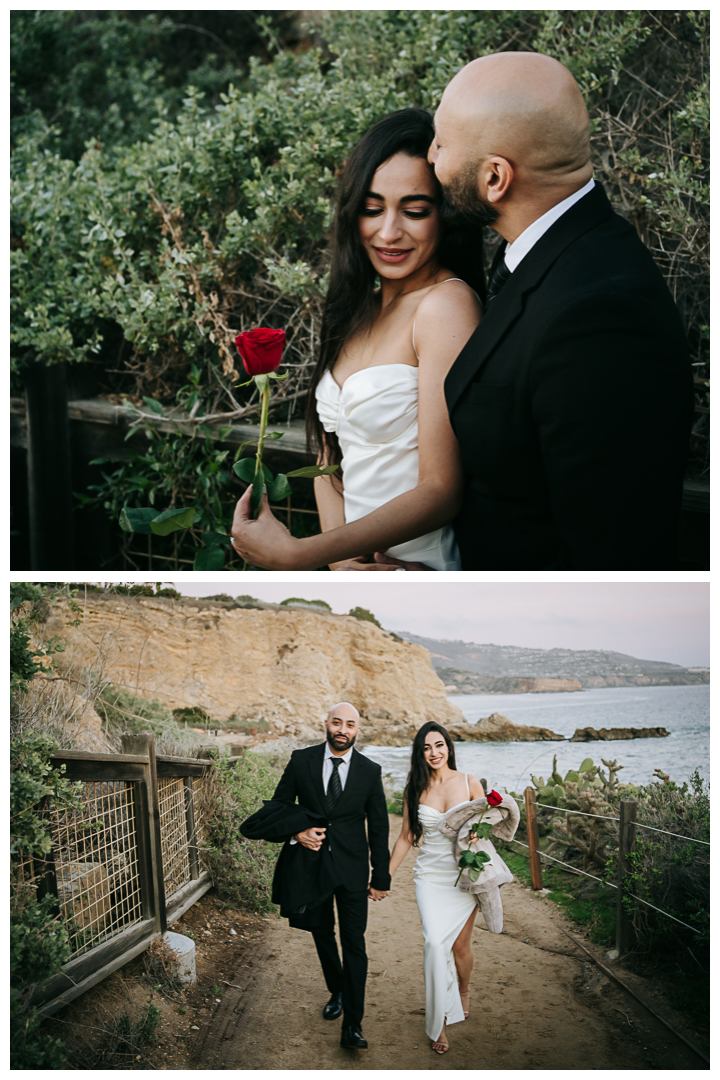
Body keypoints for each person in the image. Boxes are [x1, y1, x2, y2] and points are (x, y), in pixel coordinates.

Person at [427, 51, 694, 569]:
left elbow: (608, 552)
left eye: (442, 142)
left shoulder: (600, 319)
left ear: (495, 179)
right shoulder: (550, 253)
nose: (431, 156)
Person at [230, 108, 483, 570]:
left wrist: (301, 554)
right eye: (371, 209)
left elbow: (441, 490)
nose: (389, 232)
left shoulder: (445, 307)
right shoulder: (358, 310)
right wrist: (341, 564)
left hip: (420, 569)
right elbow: (330, 454)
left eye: (414, 210)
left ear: (444, 215)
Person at [271, 702, 391, 1049]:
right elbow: (280, 804)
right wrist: (297, 833)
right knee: (322, 932)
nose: (342, 729)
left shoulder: (370, 771)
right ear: (326, 724)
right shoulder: (301, 760)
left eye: (349, 724)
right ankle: (337, 989)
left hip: (352, 871)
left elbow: (379, 827)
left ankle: (353, 1025)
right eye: (337, 722)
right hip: (312, 868)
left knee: (355, 943)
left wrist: (380, 875)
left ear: (357, 730)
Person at [388, 721, 485, 1055]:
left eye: (439, 745)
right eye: (427, 747)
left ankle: (464, 988)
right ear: (420, 752)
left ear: (448, 747)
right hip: (429, 877)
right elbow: (406, 837)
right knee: (433, 943)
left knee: (459, 947)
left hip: (463, 876)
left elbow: (489, 826)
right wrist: (385, 876)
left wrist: (478, 835)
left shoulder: (470, 781)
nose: (434, 752)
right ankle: (439, 1022)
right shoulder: (415, 789)